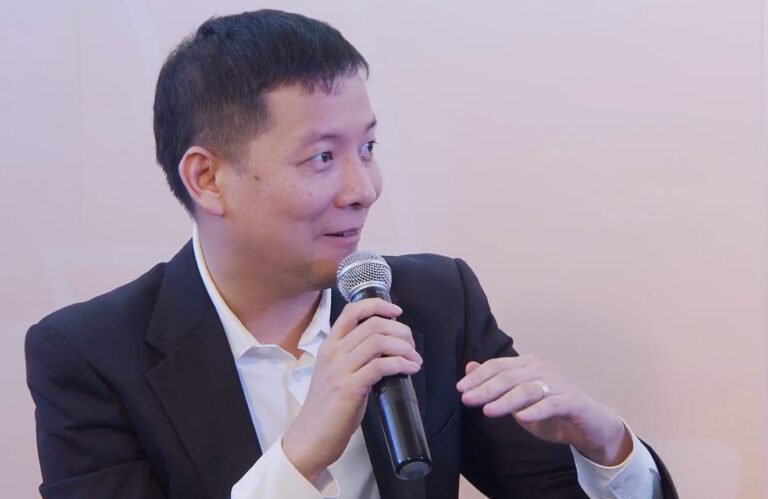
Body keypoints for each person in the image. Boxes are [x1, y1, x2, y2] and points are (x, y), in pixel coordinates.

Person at [25, 9, 677, 499]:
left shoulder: (434, 302)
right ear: (208, 178)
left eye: (367, 148)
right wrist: (300, 455)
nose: (363, 188)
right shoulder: (90, 355)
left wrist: (607, 446)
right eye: (321, 157)